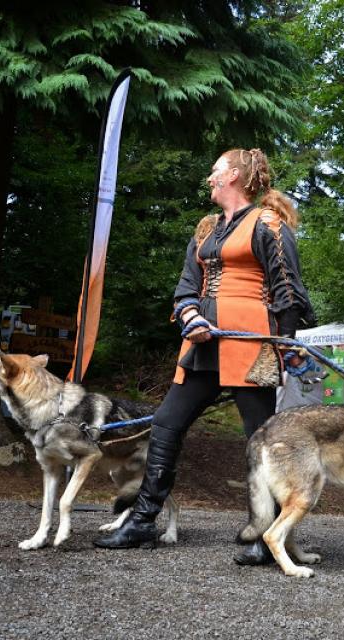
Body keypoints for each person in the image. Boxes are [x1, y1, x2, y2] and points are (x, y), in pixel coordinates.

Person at [94, 148, 315, 567]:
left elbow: (287, 292)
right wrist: (190, 316)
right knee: (165, 424)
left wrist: (284, 348)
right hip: (202, 345)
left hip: (251, 343)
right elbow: (185, 287)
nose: (209, 177)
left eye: (214, 170)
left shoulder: (268, 224)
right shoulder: (206, 230)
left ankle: (264, 533)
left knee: (260, 440)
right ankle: (141, 520)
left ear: (233, 175)